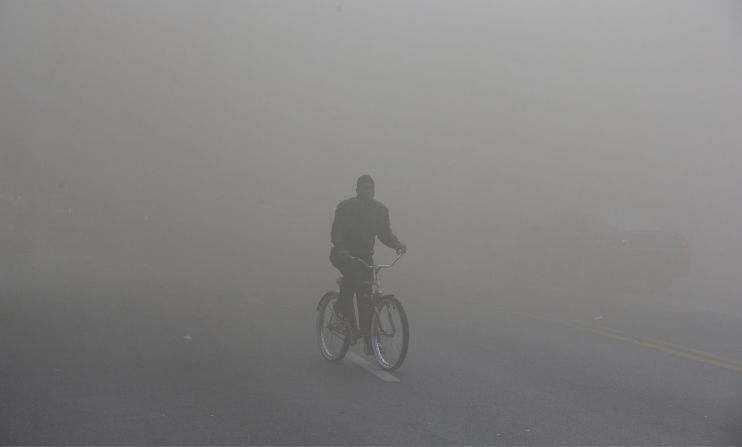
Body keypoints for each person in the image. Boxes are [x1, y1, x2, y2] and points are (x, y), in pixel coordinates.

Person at [330, 175, 407, 355]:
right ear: (357, 190)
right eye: (364, 188)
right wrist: (341, 248)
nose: (368, 191)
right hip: (343, 255)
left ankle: (368, 340)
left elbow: (384, 233)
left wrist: (397, 244)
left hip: (365, 259)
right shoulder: (345, 207)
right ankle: (340, 306)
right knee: (355, 280)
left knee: (366, 298)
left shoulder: (379, 210)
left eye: (371, 188)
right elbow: (336, 232)